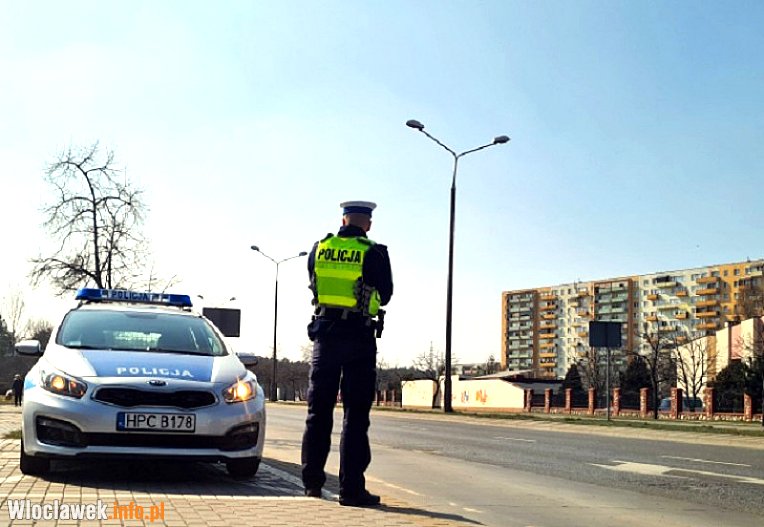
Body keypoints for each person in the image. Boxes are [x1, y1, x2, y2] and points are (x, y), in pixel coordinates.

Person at [301, 200, 393, 507]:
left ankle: (312, 484)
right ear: (368, 224)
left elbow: (313, 283)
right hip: (358, 337)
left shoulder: (320, 249)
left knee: (318, 413)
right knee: (355, 416)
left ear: (343, 220)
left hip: (325, 336)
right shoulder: (374, 252)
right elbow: (386, 295)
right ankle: (351, 490)